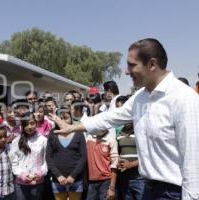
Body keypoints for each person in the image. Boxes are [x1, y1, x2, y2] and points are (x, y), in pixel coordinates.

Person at [52, 38, 199, 200]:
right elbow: (111, 117)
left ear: (151, 64)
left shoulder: (184, 98)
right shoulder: (141, 97)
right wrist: (72, 127)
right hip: (148, 189)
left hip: (173, 192)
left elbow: (194, 161)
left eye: (132, 65)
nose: (126, 71)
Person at [46, 107, 86, 200]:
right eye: (60, 119)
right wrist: (58, 176)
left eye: (66, 118)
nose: (63, 121)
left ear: (71, 118)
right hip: (57, 180)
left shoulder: (79, 133)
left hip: (75, 179)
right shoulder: (52, 134)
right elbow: (49, 157)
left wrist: (73, 176)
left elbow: (83, 157)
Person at [9, 113, 47, 200]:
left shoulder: (43, 140)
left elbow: (47, 161)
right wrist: (21, 174)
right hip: (21, 183)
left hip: (37, 181)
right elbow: (14, 162)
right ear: (22, 126)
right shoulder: (16, 141)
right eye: (26, 124)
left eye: (32, 123)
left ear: (36, 123)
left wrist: (40, 173)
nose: (29, 127)